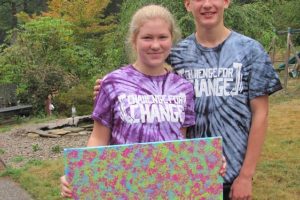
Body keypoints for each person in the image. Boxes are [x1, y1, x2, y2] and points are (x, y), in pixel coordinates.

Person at [94, 0, 282, 199]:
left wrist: (246, 175)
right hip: (184, 179)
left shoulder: (250, 51)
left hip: (232, 176)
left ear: (226, 2)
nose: (207, 4)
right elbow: (147, 72)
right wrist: (110, 89)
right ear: (187, 4)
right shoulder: (177, 54)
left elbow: (260, 114)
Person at [61, 4, 226, 198]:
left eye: (162, 37)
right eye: (147, 37)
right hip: (123, 188)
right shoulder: (113, 83)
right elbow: (98, 138)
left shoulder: (184, 88)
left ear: (171, 39)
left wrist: (209, 161)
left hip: (170, 189)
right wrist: (81, 173)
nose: (155, 45)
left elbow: (180, 141)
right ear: (134, 40)